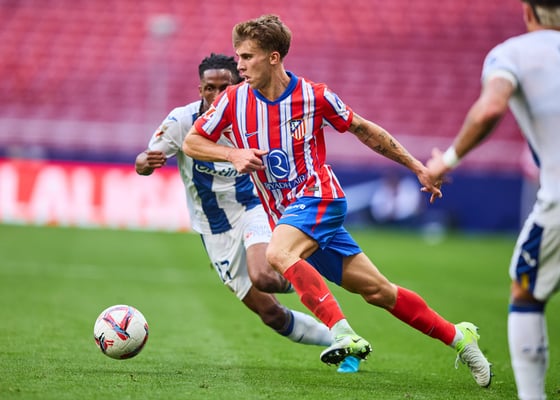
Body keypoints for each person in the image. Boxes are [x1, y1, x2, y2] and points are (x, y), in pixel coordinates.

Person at [183, 15, 491, 387]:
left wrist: (417, 167)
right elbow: (192, 142)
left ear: (274, 57)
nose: (240, 65)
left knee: (278, 253)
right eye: (239, 57)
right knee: (378, 291)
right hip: (289, 215)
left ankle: (342, 333)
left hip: (320, 196)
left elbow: (364, 130)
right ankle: (460, 337)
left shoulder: (314, 96)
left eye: (247, 57)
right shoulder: (234, 100)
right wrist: (231, 154)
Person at [135, 53, 360, 373]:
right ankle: (342, 341)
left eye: (223, 87)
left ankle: (304, 274)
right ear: (200, 89)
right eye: (209, 88)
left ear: (237, 85)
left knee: (263, 275)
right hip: (213, 227)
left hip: (254, 208)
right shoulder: (181, 122)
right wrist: (146, 162)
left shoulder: (250, 115)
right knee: (271, 315)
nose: (216, 95)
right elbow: (143, 161)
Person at [426, 1, 560, 398]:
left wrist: (446, 161)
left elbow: (490, 109)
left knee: (526, 290)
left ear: (528, 11)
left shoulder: (512, 53)